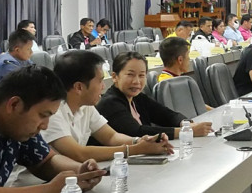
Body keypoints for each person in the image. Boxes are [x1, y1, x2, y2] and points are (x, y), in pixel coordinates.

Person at [45, 51, 174, 162]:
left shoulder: (86, 106)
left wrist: (140, 141)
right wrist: (136, 149)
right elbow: (78, 153)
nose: (103, 86)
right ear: (79, 87)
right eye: (100, 81)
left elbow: (111, 137)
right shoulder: (52, 112)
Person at [96, 52, 214, 140]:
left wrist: (187, 124)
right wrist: (187, 131)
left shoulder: (137, 97)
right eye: (130, 75)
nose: (136, 81)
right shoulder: (110, 102)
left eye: (141, 75)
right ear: (114, 77)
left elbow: (167, 115)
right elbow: (137, 132)